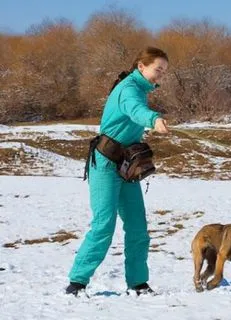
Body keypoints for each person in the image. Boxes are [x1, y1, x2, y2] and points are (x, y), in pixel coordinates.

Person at [66, 47, 170, 296]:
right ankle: (77, 283)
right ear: (141, 67)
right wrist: (153, 119)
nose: (161, 75)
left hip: (126, 166)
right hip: (104, 164)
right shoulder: (129, 89)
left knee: (137, 227)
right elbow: (135, 110)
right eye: (158, 69)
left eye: (164, 71)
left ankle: (138, 283)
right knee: (104, 225)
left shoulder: (140, 88)